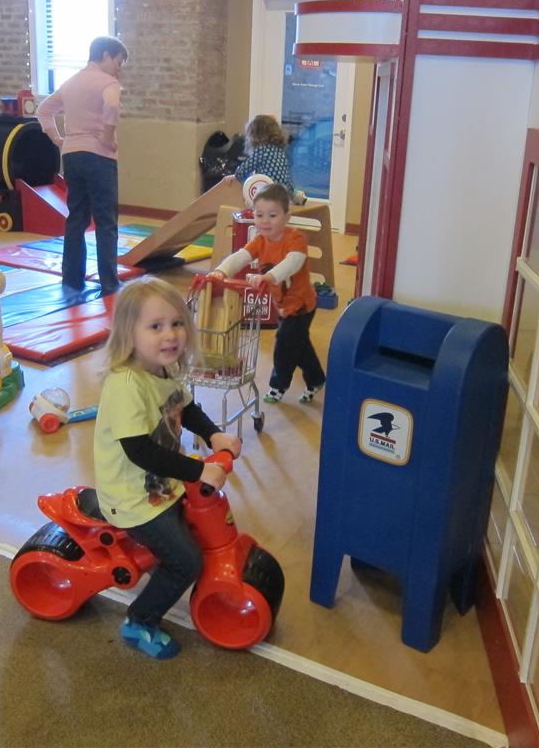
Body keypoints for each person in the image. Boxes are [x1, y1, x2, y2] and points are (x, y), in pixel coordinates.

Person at [93, 276, 242, 659]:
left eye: (176, 323)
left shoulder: (162, 370)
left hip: (159, 486)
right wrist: (198, 471)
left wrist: (213, 435)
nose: (170, 335)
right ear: (129, 334)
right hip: (132, 498)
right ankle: (139, 621)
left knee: (193, 527)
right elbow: (140, 451)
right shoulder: (127, 385)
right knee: (186, 561)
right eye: (156, 326)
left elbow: (185, 407)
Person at [209, 183, 325, 404]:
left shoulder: (295, 239)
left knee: (284, 345)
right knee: (299, 344)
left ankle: (278, 386)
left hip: (301, 306)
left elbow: (293, 262)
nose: (264, 221)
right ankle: (317, 379)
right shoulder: (260, 241)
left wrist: (269, 277)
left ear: (286, 217)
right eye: (259, 215)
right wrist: (221, 271)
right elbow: (240, 256)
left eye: (272, 215)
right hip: (281, 305)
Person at [37, 36, 128, 296]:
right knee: (105, 220)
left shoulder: (71, 82)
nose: (119, 70)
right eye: (118, 62)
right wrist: (107, 137)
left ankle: (72, 279)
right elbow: (112, 106)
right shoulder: (108, 82)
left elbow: (44, 110)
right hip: (98, 156)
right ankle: (109, 283)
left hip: (72, 156)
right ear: (106, 55)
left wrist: (58, 139)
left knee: (77, 217)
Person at [232, 115, 297, 199]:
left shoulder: (262, 150)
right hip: (284, 194)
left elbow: (242, 171)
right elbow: (286, 177)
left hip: (269, 194)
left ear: (255, 135)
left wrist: (237, 176)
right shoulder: (280, 151)